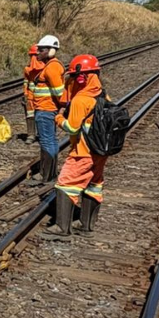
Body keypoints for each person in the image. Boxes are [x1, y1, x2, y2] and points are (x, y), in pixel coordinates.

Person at [46, 54, 106, 236]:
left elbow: (72, 128)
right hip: (100, 151)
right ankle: (86, 225)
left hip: (83, 152)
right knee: (94, 184)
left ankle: (62, 228)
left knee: (65, 184)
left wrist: (58, 118)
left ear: (81, 78)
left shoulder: (81, 100)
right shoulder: (102, 93)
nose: (69, 80)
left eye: (72, 76)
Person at [27, 35, 66, 186]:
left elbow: (60, 93)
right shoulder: (51, 66)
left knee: (47, 142)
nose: (38, 53)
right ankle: (49, 174)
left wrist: (62, 108)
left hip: (46, 110)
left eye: (41, 50)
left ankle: (47, 176)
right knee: (50, 141)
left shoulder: (51, 68)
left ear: (50, 51)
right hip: (45, 109)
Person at [22, 44, 42, 144]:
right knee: (30, 115)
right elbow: (26, 81)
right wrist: (25, 94)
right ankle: (31, 134)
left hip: (43, 97)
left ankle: (42, 135)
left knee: (43, 115)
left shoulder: (47, 67)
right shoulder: (27, 69)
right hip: (30, 96)